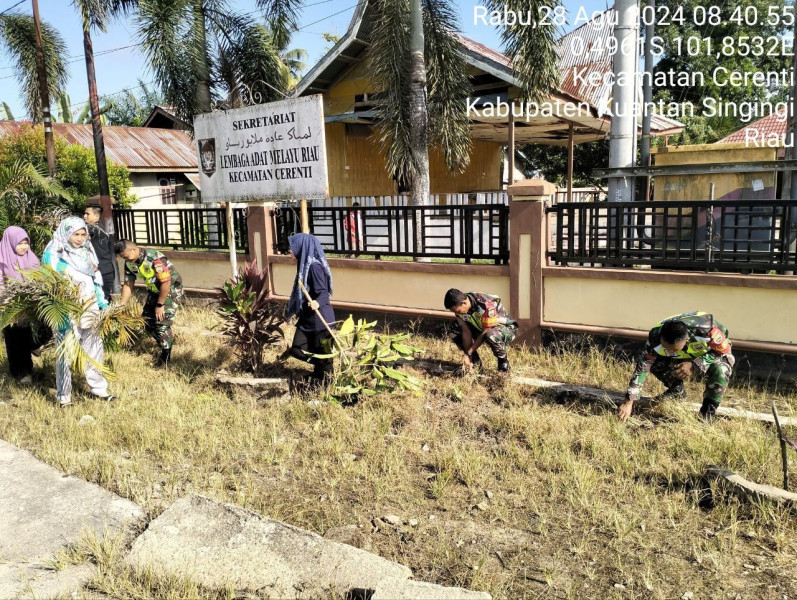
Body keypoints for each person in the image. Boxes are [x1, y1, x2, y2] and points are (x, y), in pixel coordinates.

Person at [42, 217, 115, 406]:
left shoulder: (88, 251)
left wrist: (102, 303)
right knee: (66, 351)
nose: (80, 238)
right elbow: (49, 283)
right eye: (76, 234)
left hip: (89, 306)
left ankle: (99, 389)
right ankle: (64, 396)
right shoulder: (54, 252)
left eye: (83, 234)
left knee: (94, 346)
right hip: (66, 309)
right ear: (66, 232)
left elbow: (96, 278)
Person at [617, 311, 734, 422]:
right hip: (685, 352)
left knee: (721, 369)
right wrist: (629, 402)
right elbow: (643, 366)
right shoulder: (655, 336)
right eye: (665, 347)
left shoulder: (707, 331)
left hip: (711, 351)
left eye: (672, 349)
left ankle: (707, 414)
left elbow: (724, 350)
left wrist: (694, 365)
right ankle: (677, 390)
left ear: (687, 339)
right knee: (655, 362)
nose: (668, 351)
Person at [114, 240, 183, 366]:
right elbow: (128, 283)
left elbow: (166, 283)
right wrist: (122, 303)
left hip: (170, 290)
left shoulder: (154, 259)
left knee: (161, 323)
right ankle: (164, 343)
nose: (126, 260)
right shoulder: (130, 262)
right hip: (154, 290)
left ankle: (165, 358)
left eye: (126, 256)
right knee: (147, 322)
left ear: (133, 250)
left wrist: (160, 305)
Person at [284, 233, 336, 383]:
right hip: (308, 319)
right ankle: (322, 367)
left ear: (300, 248)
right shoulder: (303, 268)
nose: (289, 251)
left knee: (324, 359)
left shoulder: (314, 267)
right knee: (297, 349)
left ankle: (326, 383)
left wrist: (317, 302)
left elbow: (323, 293)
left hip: (321, 320)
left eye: (291, 248)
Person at [0, 226, 41, 384]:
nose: (24, 246)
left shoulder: (32, 258)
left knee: (31, 335)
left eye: (26, 243)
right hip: (9, 307)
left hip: (30, 306)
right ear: (10, 242)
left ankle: (31, 358)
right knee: (14, 340)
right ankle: (20, 373)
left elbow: (40, 279)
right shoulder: (2, 257)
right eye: (20, 243)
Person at [444, 288, 517, 373]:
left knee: (490, 335)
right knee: (453, 330)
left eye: (459, 311)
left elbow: (486, 331)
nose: (458, 313)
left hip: (505, 329)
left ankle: (503, 364)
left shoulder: (487, 304)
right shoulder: (459, 306)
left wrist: (468, 354)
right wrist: (469, 356)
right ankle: (475, 363)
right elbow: (466, 331)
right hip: (481, 327)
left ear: (464, 302)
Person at [83, 202, 119, 302]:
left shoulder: (95, 230)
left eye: (87, 214)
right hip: (100, 271)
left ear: (96, 217)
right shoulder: (94, 230)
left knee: (101, 302)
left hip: (103, 272)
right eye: (84, 214)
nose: (84, 216)